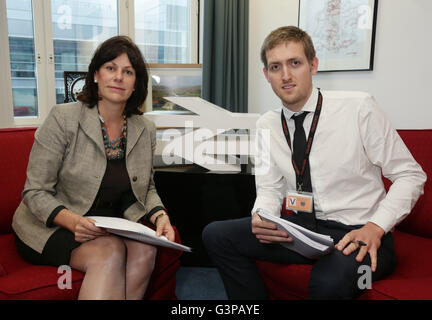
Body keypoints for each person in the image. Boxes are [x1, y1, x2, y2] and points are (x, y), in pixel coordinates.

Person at [202, 26, 427, 300]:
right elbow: (269, 189)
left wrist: (376, 226)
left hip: (357, 231)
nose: (285, 75)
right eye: (275, 67)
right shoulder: (266, 125)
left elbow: (410, 175)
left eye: (294, 63)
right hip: (301, 231)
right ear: (266, 75)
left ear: (313, 65)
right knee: (216, 235)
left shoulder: (359, 108)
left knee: (329, 282)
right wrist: (262, 216)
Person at [12, 36, 175, 300]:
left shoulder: (145, 129)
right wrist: (73, 221)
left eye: (128, 71)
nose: (118, 77)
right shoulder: (63, 119)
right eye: (111, 68)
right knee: (109, 251)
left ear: (137, 84)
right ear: (96, 74)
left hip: (106, 223)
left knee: (146, 250)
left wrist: (160, 216)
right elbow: (34, 192)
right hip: (53, 224)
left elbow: (147, 186)